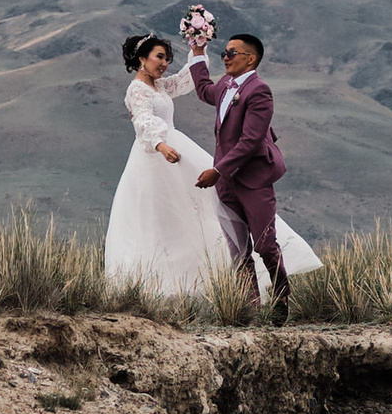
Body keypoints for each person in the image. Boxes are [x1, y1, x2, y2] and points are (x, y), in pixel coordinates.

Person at [102, 32, 318, 303]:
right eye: (159, 57)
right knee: (172, 224)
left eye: (167, 58)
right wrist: (159, 144)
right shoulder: (138, 89)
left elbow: (189, 83)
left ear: (250, 59)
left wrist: (197, 51)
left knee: (240, 233)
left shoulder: (163, 86)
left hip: (210, 162)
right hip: (159, 156)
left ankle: (277, 294)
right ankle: (242, 300)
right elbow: (144, 119)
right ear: (141, 58)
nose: (165, 63)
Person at [188, 30, 304, 324]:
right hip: (227, 181)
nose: (225, 58)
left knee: (265, 245)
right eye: (224, 53)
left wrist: (217, 170)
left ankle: (280, 300)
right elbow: (204, 90)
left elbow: (251, 141)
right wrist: (199, 52)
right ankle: (250, 308)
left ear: (250, 59)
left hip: (253, 178)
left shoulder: (259, 91)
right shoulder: (226, 84)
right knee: (238, 249)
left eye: (231, 53)